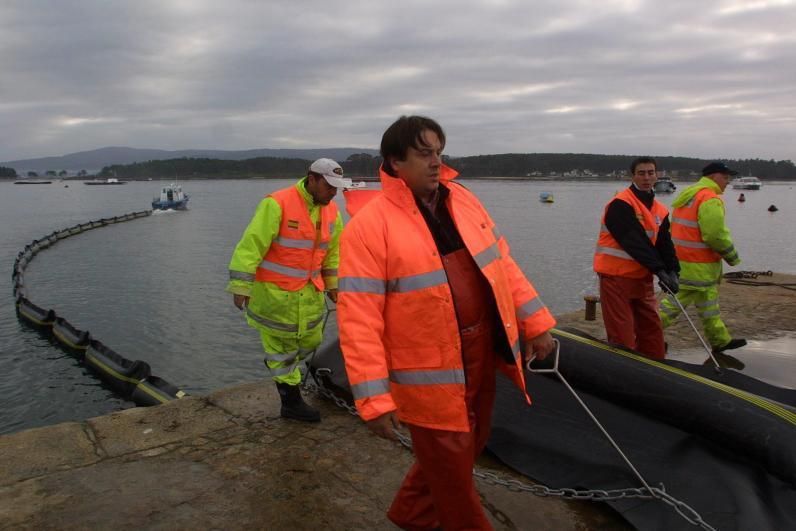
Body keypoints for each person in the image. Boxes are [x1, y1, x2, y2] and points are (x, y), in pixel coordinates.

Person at [337, 116, 556, 530]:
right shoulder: (369, 228)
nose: (436, 162)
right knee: (454, 474)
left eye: (439, 152)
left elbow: (502, 266)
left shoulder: (465, 202)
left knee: (468, 446)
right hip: (427, 375)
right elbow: (358, 319)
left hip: (479, 352)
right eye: (424, 154)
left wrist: (536, 322)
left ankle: (412, 515)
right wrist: (374, 399)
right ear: (394, 162)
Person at [226, 158, 350, 422]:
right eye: (329, 186)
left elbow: (333, 254)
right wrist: (241, 286)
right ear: (312, 178)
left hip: (310, 297)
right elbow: (251, 246)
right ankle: (291, 403)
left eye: (337, 188)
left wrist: (334, 286)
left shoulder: (332, 212)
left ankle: (280, 371)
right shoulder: (277, 203)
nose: (333, 192)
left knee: (310, 342)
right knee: (281, 351)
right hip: (276, 298)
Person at [593, 156, 679, 360]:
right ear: (632, 176)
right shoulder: (620, 204)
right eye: (641, 173)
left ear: (657, 175)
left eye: (651, 172)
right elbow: (633, 240)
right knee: (622, 335)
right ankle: (623, 372)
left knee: (652, 330)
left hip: (642, 279)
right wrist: (659, 270)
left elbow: (664, 243)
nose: (647, 177)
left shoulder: (660, 210)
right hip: (616, 278)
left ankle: (656, 366)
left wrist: (673, 271)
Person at [660, 162, 746, 354]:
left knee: (709, 304)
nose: (728, 182)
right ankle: (640, 335)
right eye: (725, 177)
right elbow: (715, 235)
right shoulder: (709, 198)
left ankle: (720, 340)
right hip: (697, 266)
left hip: (687, 262)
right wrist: (732, 257)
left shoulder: (690, 194)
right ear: (714, 177)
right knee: (671, 307)